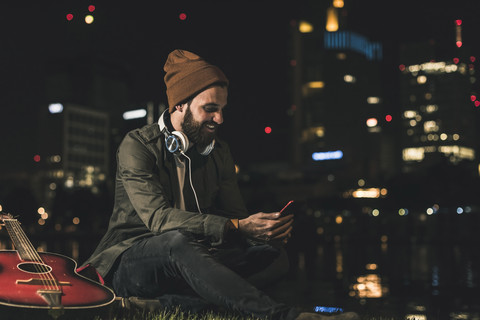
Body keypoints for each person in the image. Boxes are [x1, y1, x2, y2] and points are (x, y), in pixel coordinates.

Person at [79, 49, 359, 320]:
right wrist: (235, 227)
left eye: (222, 109)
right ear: (179, 105)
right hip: (132, 261)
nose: (220, 119)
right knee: (175, 242)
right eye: (210, 109)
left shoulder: (218, 152)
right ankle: (283, 316)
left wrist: (260, 232)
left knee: (276, 257)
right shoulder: (137, 145)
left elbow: (235, 217)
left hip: (194, 258)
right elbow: (158, 219)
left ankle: (162, 306)